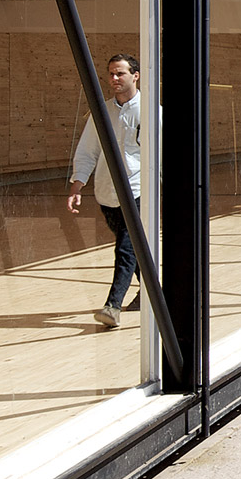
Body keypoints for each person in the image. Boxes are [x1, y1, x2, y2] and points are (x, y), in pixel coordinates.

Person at [67, 53, 144, 329]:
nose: (114, 79)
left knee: (125, 246)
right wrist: (78, 184)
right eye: (111, 73)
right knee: (133, 247)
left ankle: (112, 306)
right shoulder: (102, 112)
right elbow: (88, 149)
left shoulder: (150, 111)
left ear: (135, 75)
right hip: (107, 193)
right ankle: (153, 292)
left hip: (137, 191)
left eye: (120, 73)